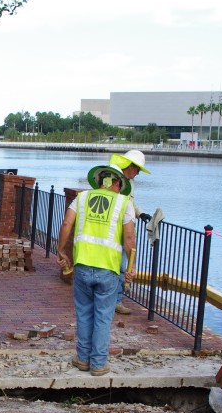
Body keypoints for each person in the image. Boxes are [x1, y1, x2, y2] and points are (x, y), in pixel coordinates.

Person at [56, 165, 136, 376]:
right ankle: (98, 364)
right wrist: (130, 267)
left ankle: (82, 359)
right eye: (120, 186)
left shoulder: (82, 198)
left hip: (82, 264)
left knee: (83, 313)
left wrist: (62, 250)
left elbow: (66, 224)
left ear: (100, 181)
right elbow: (129, 238)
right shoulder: (124, 203)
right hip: (108, 268)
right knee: (102, 316)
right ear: (117, 183)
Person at [107, 149, 151, 315]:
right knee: (119, 266)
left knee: (122, 266)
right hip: (115, 228)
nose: (138, 173)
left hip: (125, 226)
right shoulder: (113, 177)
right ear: (130, 166)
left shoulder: (129, 183)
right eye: (138, 169)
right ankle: (115, 300)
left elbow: (130, 203)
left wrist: (140, 213)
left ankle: (116, 299)